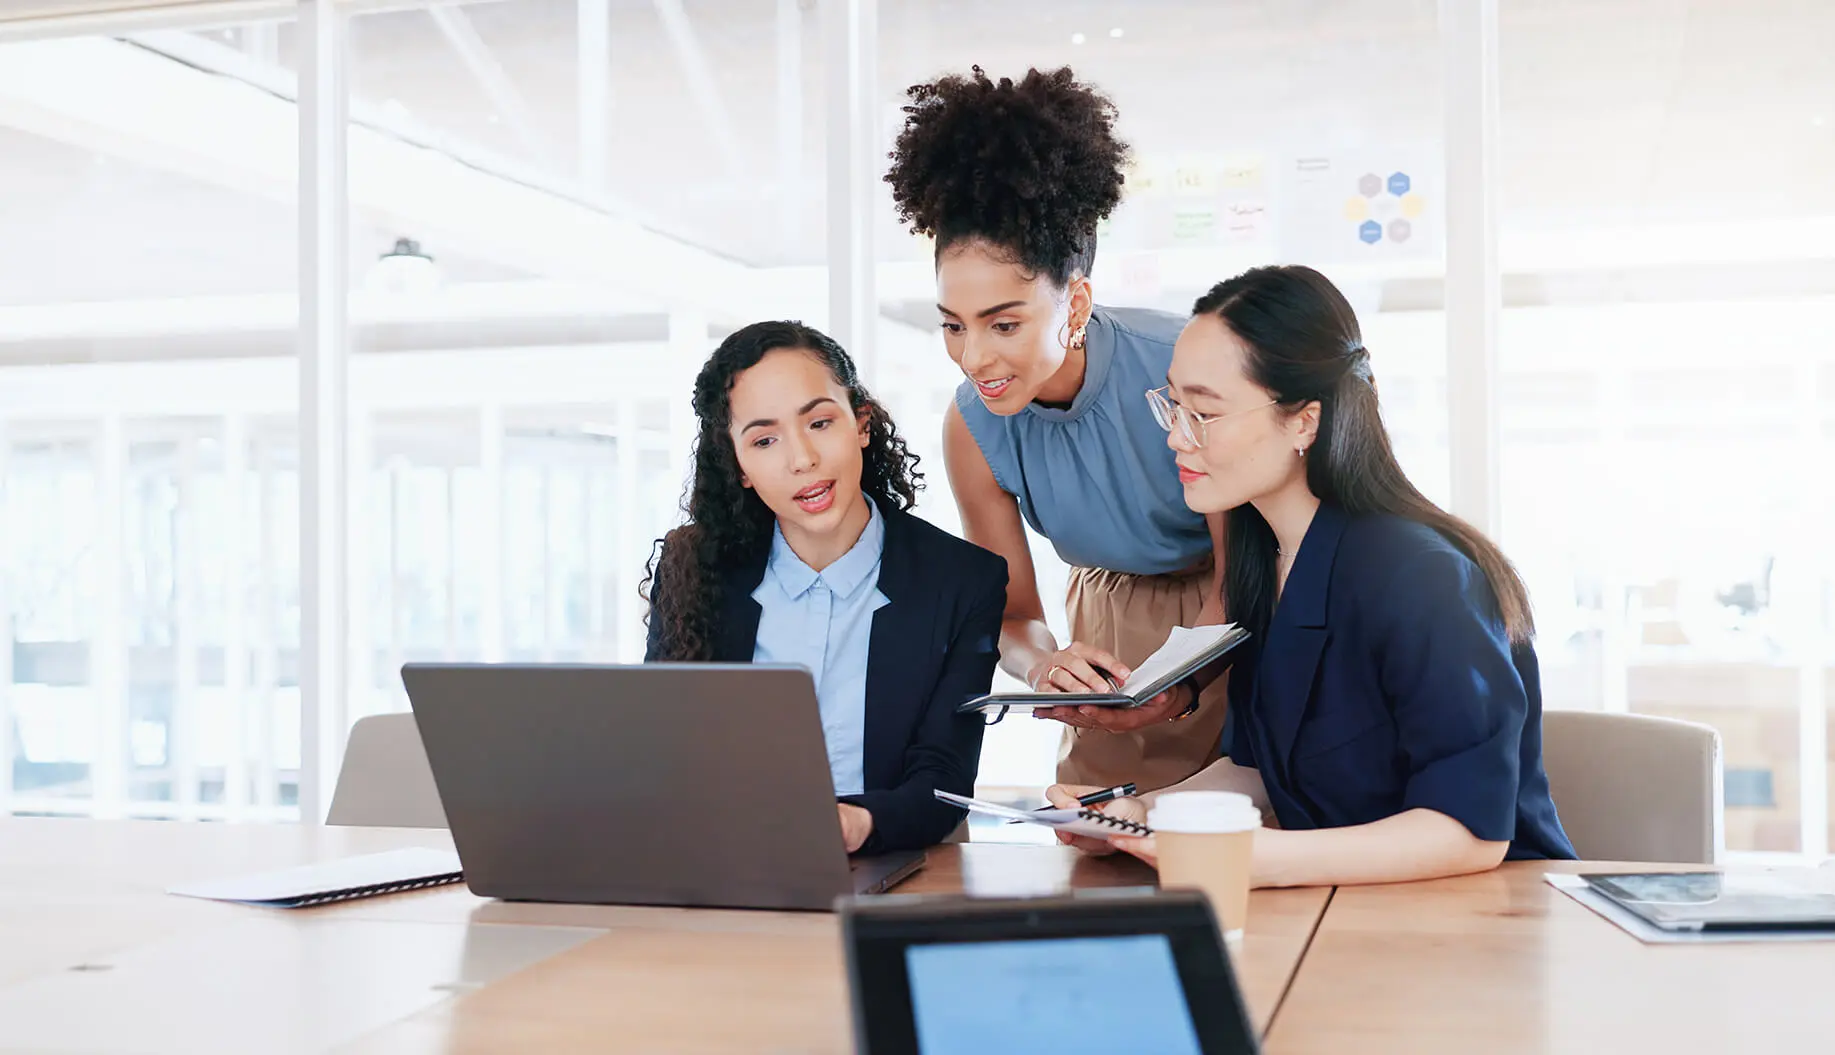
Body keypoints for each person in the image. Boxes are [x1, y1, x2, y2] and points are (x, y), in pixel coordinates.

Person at [1049, 265, 1576, 886]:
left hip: (1484, 913)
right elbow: (1262, 770)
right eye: (1173, 405)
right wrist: (1141, 815)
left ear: (1304, 420)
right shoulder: (1261, 560)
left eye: (1205, 413)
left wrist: (1248, 858)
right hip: (1345, 912)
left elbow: (1467, 833)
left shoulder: (1424, 578)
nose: (1176, 439)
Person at [884, 65, 1228, 791]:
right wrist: (1046, 663)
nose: (975, 357)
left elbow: (1243, 570)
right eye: (953, 325)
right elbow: (1013, 614)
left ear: (1074, 305)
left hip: (1226, 620)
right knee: (1098, 840)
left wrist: (1178, 679)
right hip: (1103, 624)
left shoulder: (1185, 364)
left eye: (1004, 323)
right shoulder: (972, 424)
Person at [643, 320, 1008, 855]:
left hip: (895, 868)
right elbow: (661, 757)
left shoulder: (962, 581)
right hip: (724, 868)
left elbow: (943, 782)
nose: (801, 460)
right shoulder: (693, 569)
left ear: (861, 422)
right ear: (739, 465)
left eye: (818, 423)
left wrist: (858, 823)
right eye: (764, 439)